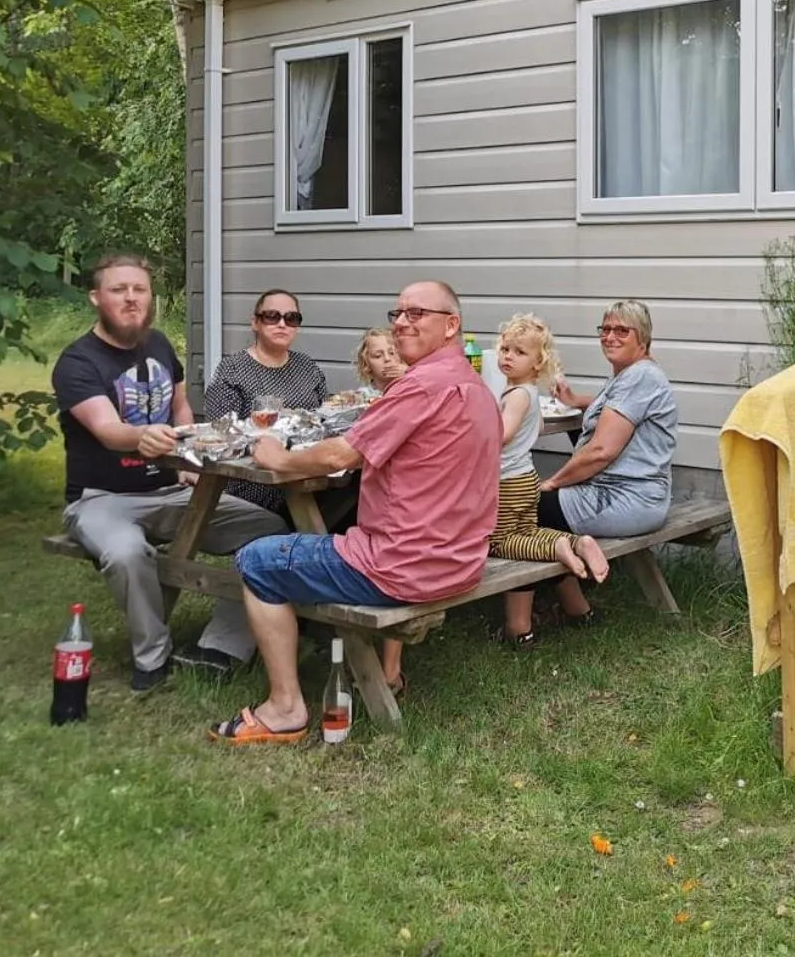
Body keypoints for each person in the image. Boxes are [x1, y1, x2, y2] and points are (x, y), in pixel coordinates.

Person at [208, 280, 499, 744]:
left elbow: (338, 456)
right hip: (462, 562)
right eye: (398, 312)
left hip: (403, 568)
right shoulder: (475, 386)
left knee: (257, 560)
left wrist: (279, 459)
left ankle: (284, 709)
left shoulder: (419, 386)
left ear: (452, 325)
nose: (402, 321)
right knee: (327, 530)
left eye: (417, 313)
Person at [55, 253, 286, 690]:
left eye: (139, 289)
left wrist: (188, 460)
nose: (131, 299)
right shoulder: (78, 363)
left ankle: (224, 644)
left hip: (171, 490)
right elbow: (107, 430)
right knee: (127, 554)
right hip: (102, 498)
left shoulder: (159, 344)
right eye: (118, 290)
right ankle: (152, 658)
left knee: (271, 529)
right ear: (95, 298)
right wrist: (140, 437)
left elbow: (180, 405)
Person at [539, 299, 679, 625]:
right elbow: (615, 407)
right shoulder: (632, 375)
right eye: (605, 329)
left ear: (642, 339)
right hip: (638, 496)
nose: (610, 336)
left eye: (621, 330)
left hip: (627, 500)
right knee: (537, 508)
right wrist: (575, 401)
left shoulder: (639, 377)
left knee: (526, 508)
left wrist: (555, 482)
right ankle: (574, 606)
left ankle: (541, 615)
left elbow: (602, 451)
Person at [486, 315, 609, 646]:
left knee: (499, 543)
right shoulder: (528, 392)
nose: (508, 356)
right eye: (505, 348)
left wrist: (477, 428)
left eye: (519, 352)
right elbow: (536, 429)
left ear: (538, 361)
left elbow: (503, 434)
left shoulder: (514, 396)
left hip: (507, 483)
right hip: (527, 476)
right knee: (528, 532)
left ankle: (558, 546)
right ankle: (574, 542)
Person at [202, 289, 328, 521]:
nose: (282, 324)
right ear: (255, 323)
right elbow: (219, 432)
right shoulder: (233, 369)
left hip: (308, 470)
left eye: (291, 318)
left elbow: (324, 419)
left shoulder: (308, 367)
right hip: (255, 478)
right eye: (272, 316)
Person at [353, 325, 405, 393]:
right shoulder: (362, 396)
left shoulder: (412, 388)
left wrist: (409, 373)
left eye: (392, 353)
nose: (387, 359)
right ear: (367, 364)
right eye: (378, 356)